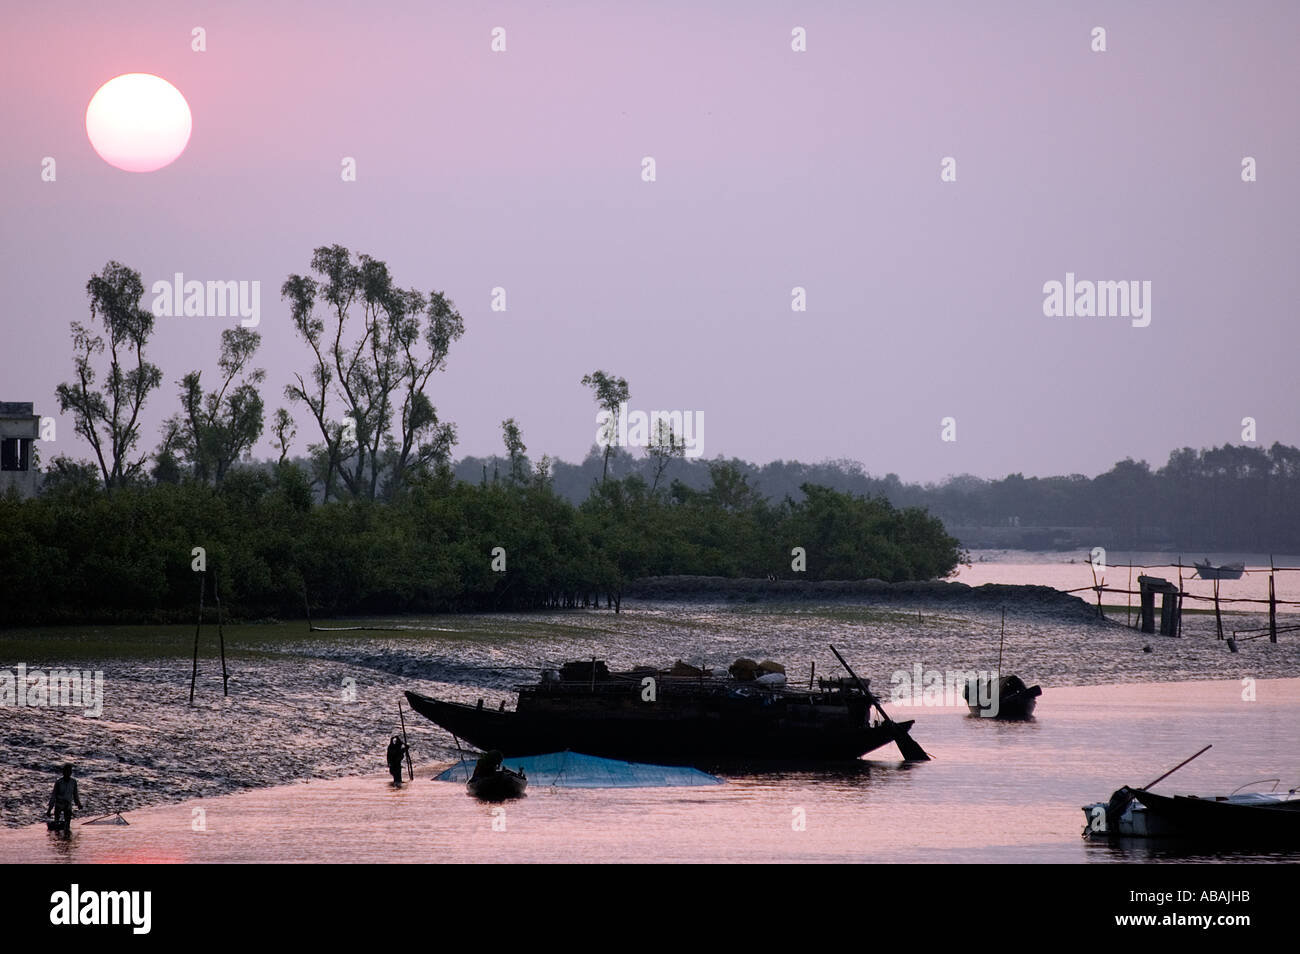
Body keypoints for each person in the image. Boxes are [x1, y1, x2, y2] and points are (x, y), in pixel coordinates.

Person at [46, 764, 82, 828]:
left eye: (69, 772)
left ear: (71, 773)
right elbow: (53, 796)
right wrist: (49, 810)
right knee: (56, 824)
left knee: (67, 825)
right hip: (58, 805)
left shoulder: (73, 782)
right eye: (66, 771)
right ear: (63, 772)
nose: (67, 773)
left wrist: (78, 804)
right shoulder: (58, 782)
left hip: (68, 805)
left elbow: (75, 794)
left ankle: (66, 835)